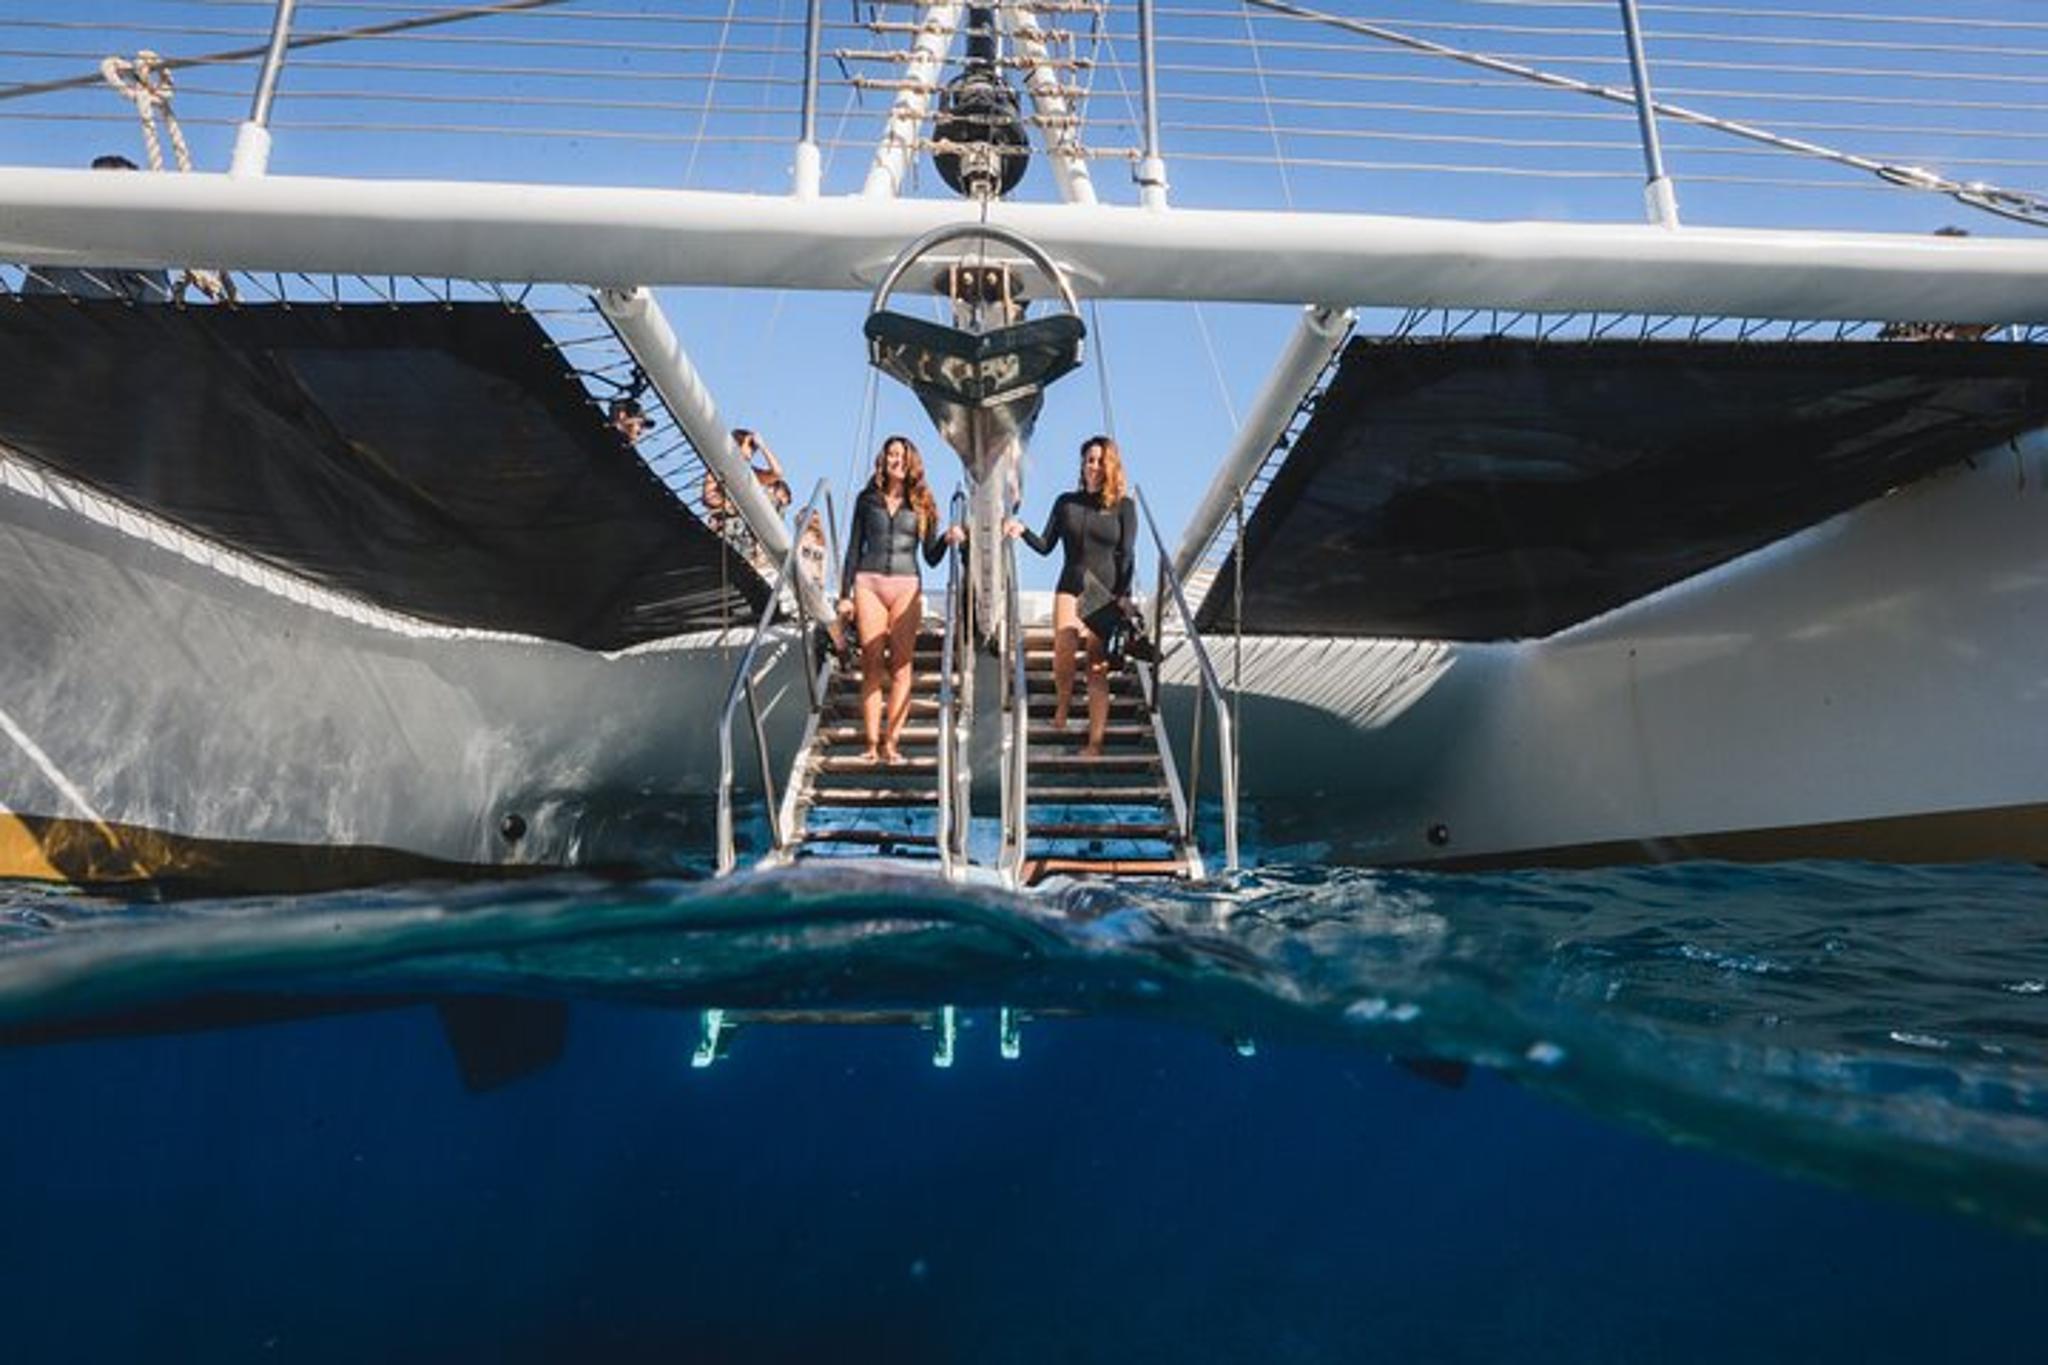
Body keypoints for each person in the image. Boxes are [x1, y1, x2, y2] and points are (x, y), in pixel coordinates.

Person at [1006, 434, 1138, 759]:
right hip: (1071, 582)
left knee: (1096, 665)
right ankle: (1063, 702)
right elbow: (1046, 545)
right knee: (1064, 646)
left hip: (1104, 590)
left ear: (1111, 466)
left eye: (1099, 461)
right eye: (1089, 460)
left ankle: (1095, 743)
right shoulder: (1066, 502)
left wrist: (1123, 595)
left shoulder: (1124, 506)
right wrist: (1022, 531)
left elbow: (1127, 555)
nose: (1093, 466)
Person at [838, 435, 964, 765]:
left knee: (901, 666)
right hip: (869, 582)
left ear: (912, 463)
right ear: (883, 459)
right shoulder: (866, 499)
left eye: (903, 456)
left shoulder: (923, 502)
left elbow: (931, 556)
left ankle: (891, 742)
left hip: (907, 585)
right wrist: (844, 596)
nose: (897, 460)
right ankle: (871, 743)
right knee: (871, 662)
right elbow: (853, 549)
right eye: (892, 454)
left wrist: (948, 537)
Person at [20, 155, 173, 303]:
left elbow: (155, 300)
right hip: (55, 316)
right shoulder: (56, 239)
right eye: (102, 187)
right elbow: (30, 295)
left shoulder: (145, 248)